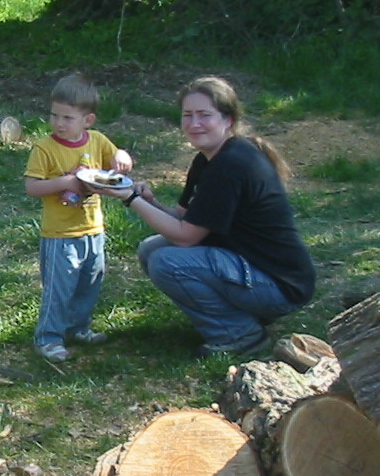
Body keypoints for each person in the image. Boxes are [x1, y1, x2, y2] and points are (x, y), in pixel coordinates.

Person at [83, 75, 314, 358]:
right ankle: (240, 316)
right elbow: (182, 218)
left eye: (204, 115)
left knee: (167, 262)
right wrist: (148, 200)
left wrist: (129, 199)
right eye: (187, 115)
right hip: (249, 266)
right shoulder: (208, 159)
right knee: (151, 248)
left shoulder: (230, 165)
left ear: (227, 119)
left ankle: (239, 334)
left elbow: (185, 236)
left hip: (279, 287)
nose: (194, 124)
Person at [22, 74, 133, 362]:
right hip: (60, 235)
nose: (59, 123)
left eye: (67, 118)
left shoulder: (96, 141)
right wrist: (63, 183)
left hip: (93, 228)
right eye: (54, 115)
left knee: (90, 282)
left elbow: (117, 158)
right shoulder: (45, 148)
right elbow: (31, 187)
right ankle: (48, 337)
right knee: (60, 288)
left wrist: (122, 157)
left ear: (88, 120)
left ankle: (78, 327)